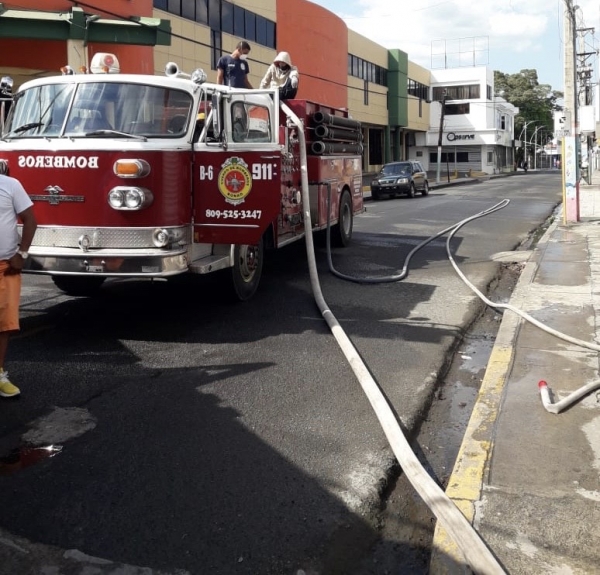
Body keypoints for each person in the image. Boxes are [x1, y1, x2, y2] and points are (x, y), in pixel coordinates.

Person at [0, 161, 37, 397]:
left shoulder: (11, 185)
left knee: (3, 324)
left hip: (5, 267)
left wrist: (22, 253)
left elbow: (30, 220)